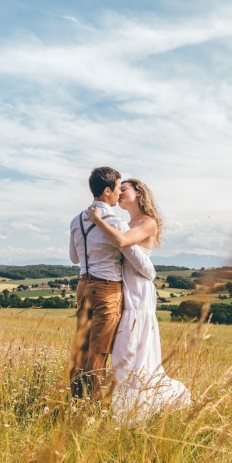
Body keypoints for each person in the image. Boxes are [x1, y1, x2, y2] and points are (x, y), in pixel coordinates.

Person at [86, 178, 191, 424]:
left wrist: (97, 220)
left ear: (139, 193)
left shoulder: (147, 222)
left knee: (131, 348)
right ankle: (125, 406)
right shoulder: (127, 223)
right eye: (118, 189)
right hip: (123, 290)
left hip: (139, 293)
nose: (120, 193)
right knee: (124, 351)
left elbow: (122, 242)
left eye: (124, 189)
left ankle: (133, 412)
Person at [68, 167, 157, 401]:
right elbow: (128, 251)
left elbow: (74, 258)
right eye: (119, 187)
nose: (119, 193)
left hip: (83, 285)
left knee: (81, 346)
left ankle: (76, 397)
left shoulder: (76, 219)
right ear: (108, 191)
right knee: (99, 351)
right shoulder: (117, 223)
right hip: (107, 288)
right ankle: (94, 403)